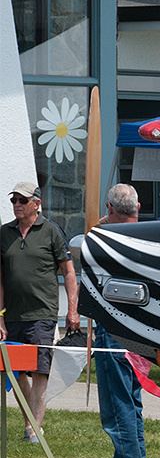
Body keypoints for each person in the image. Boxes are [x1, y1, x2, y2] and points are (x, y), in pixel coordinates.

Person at [0, 181, 80, 442]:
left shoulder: (51, 231)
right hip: (11, 314)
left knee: (39, 371)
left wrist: (72, 310)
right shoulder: (4, 233)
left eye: (22, 200)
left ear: (37, 203)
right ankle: (30, 423)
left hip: (43, 313)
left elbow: (69, 271)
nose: (17, 205)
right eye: (14, 200)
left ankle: (33, 429)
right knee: (17, 373)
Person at [91, 184, 150, 458]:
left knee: (117, 403)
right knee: (132, 399)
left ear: (111, 208)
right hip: (142, 330)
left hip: (114, 327)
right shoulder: (151, 237)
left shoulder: (107, 239)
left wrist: (101, 226)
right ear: (138, 207)